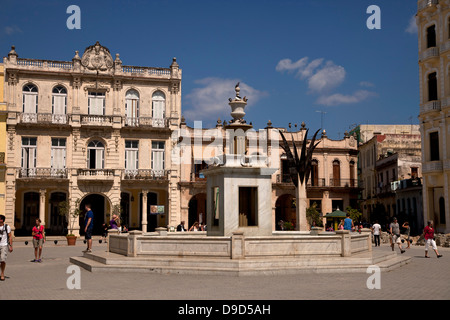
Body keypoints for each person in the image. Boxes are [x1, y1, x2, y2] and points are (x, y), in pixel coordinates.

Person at [0, 215, 13, 281]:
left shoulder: (6, 227)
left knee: (2, 260)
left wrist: (10, 246)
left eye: (0, 219)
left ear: (2, 220)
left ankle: (2, 273)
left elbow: (10, 236)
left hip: (4, 245)